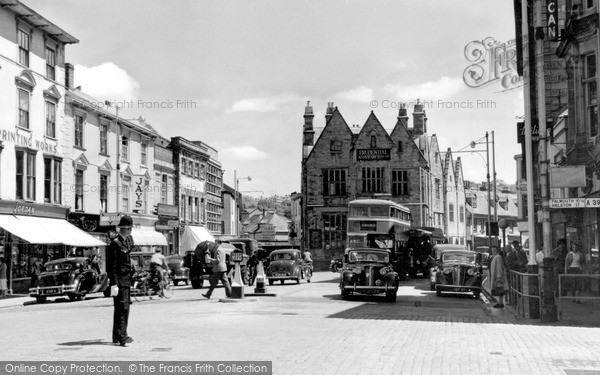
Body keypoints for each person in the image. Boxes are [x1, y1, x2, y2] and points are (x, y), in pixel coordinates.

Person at [106, 215, 135, 347]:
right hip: (120, 281)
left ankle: (116, 336)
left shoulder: (125, 243)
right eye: (129, 229)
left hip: (125, 281)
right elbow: (111, 266)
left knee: (121, 309)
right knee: (122, 309)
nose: (130, 231)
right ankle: (123, 336)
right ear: (126, 229)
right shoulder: (116, 243)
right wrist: (114, 283)